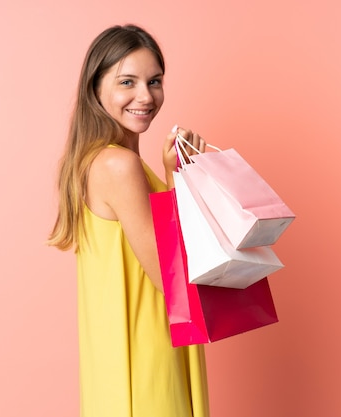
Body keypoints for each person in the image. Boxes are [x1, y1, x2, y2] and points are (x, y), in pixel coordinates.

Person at [47, 24, 210, 417]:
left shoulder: (100, 161)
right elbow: (169, 279)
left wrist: (173, 174)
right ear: (95, 88)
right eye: (127, 82)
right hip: (145, 362)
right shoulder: (119, 166)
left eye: (154, 81)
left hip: (128, 357)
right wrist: (180, 181)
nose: (145, 96)